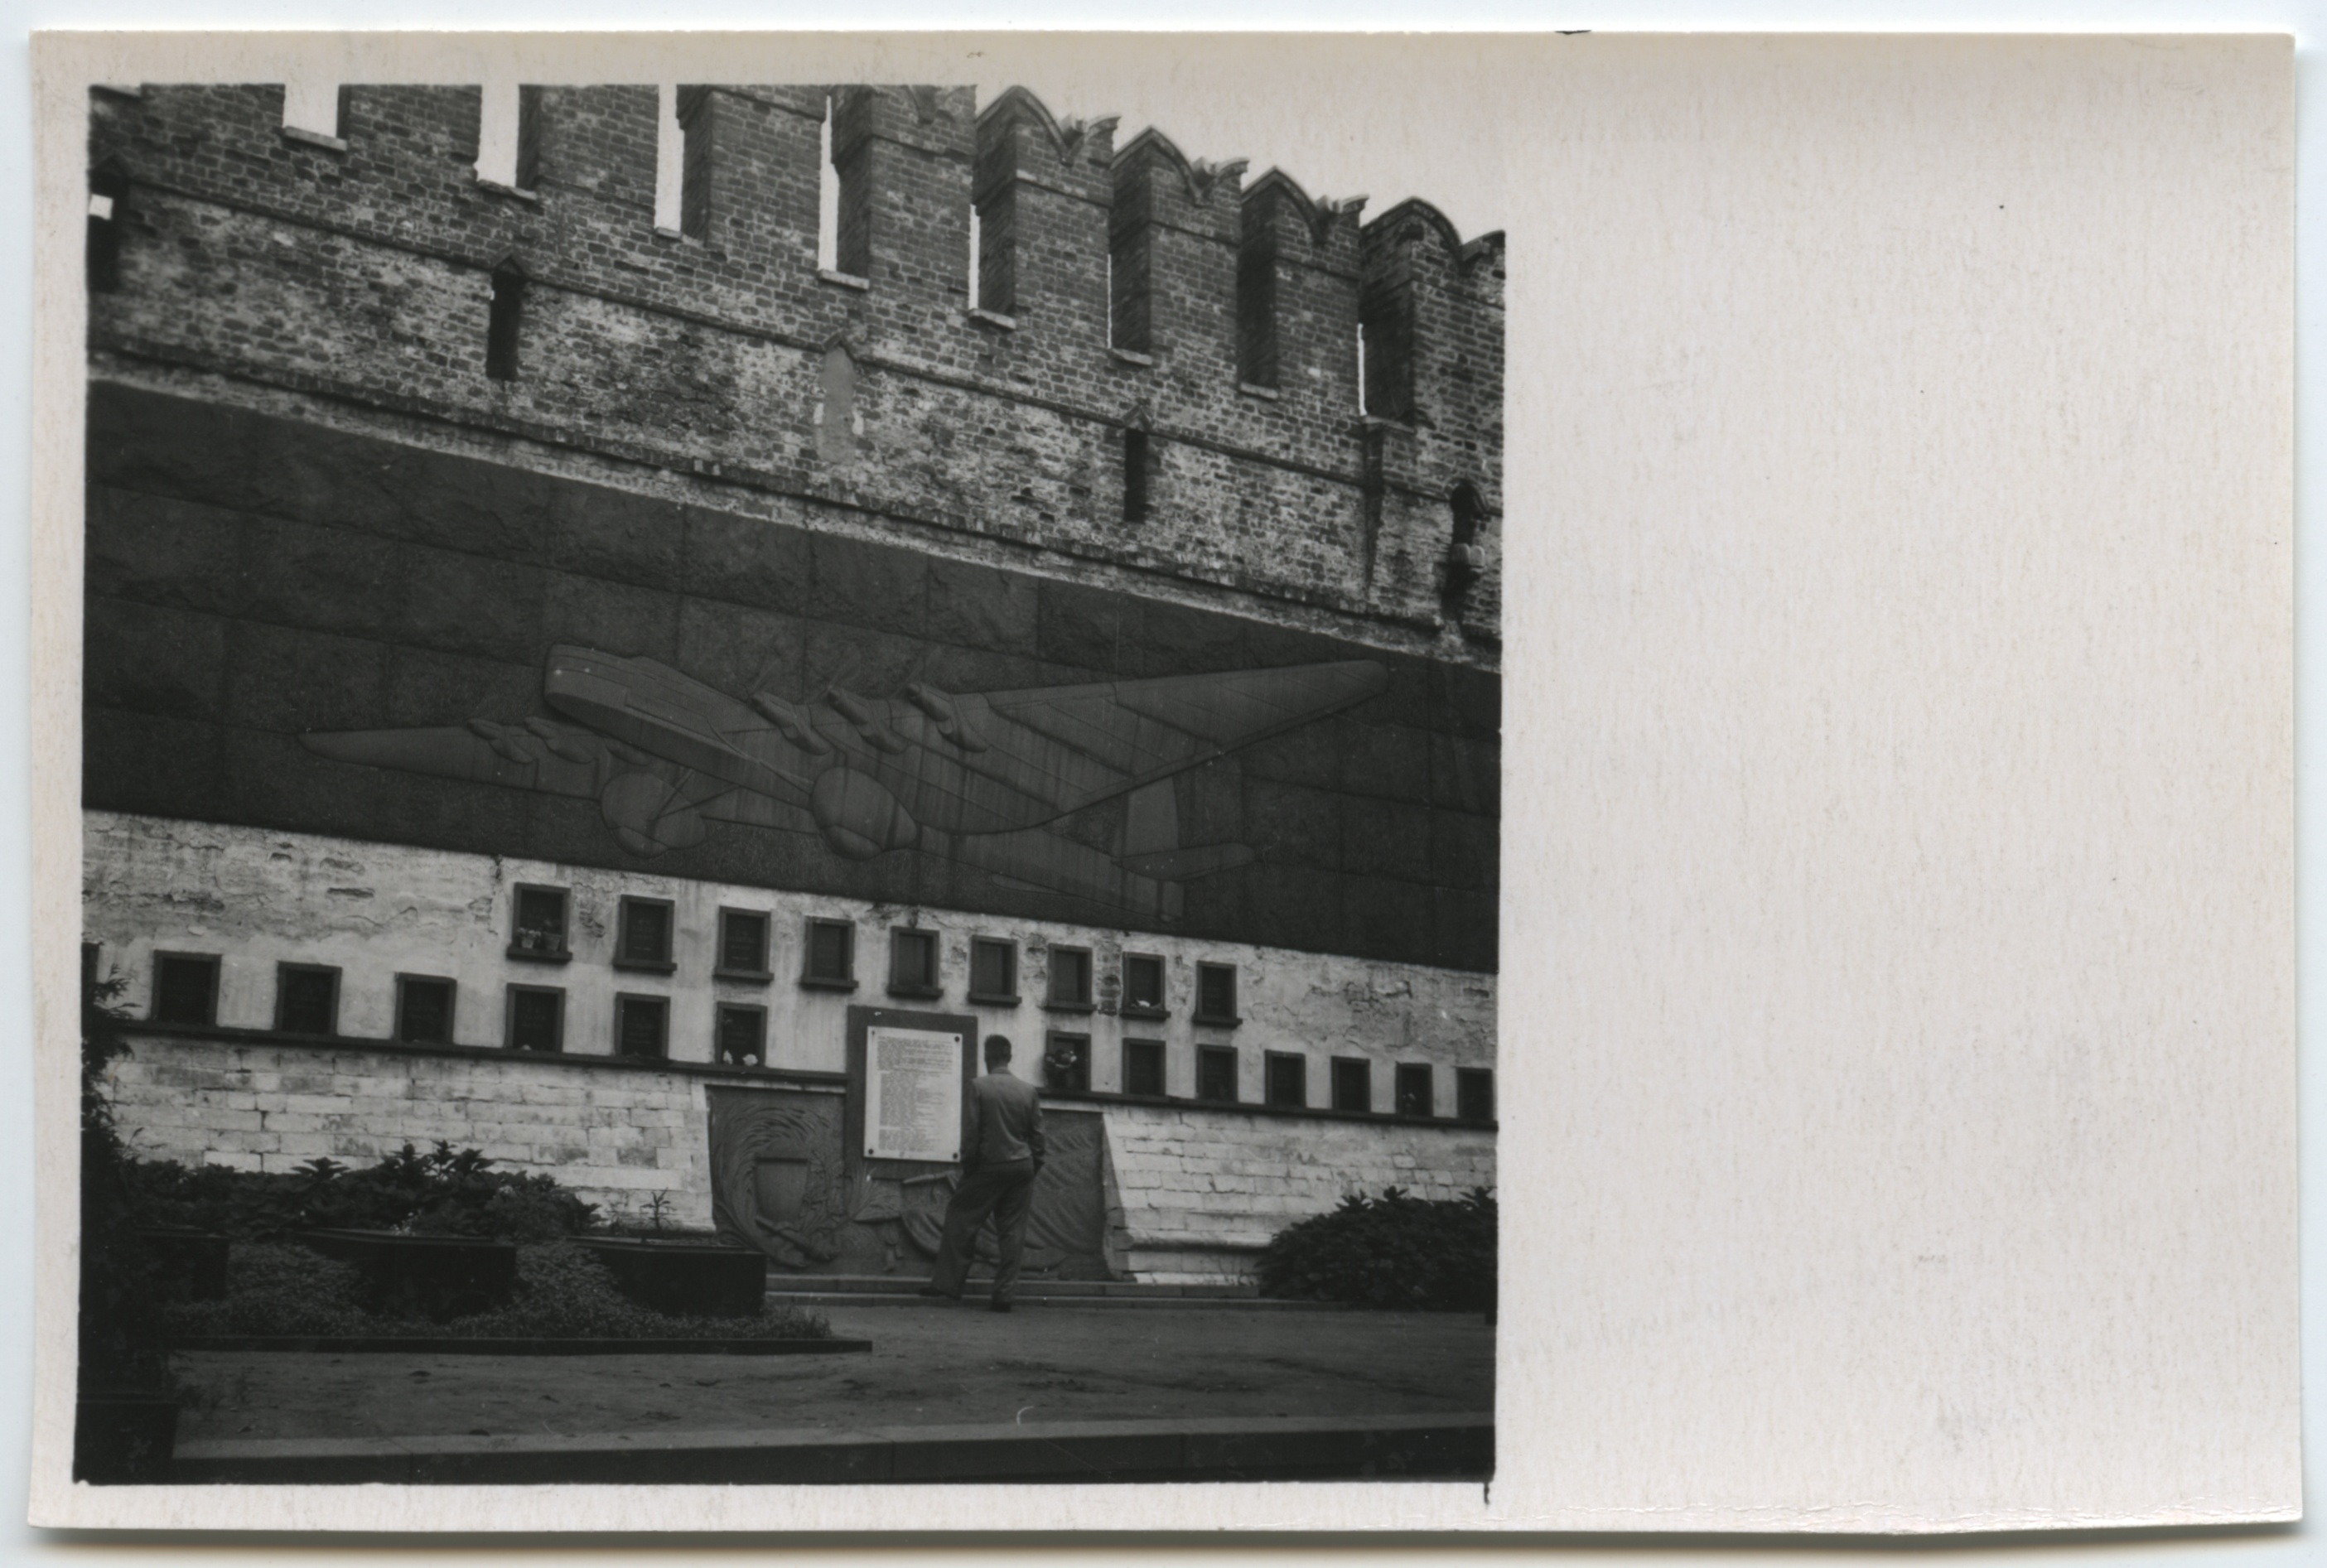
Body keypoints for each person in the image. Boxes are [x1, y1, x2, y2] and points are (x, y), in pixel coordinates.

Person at [921, 1033, 1045, 1312]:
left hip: (988, 1166)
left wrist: (969, 1166)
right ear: (1009, 1057)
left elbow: (972, 1133)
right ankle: (1003, 1297)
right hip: (1021, 1167)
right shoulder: (1028, 1091)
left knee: (960, 1217)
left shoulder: (979, 1087)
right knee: (1012, 1231)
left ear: (987, 1057)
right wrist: (1032, 1167)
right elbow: (1039, 1138)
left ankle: (947, 1286)